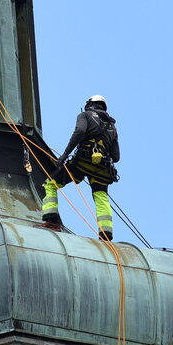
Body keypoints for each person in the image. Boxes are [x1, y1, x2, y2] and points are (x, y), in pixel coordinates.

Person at [56, 95, 120, 241]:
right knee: (101, 196)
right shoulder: (112, 127)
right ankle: (106, 232)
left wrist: (65, 155)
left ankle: (51, 219)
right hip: (102, 169)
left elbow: (79, 132)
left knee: (50, 184)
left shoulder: (84, 115)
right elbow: (116, 157)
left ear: (89, 104)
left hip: (82, 163)